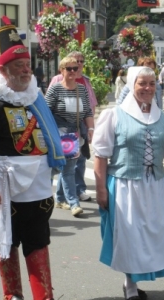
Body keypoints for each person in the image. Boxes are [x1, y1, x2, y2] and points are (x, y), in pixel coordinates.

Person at [0, 20, 65, 300]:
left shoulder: (35, 97)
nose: (26, 70)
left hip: (38, 185)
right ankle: (12, 296)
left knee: (38, 241)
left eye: (27, 64)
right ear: (3, 69)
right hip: (4, 185)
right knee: (6, 243)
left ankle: (43, 296)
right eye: (18, 66)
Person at [92, 66, 164, 300]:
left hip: (155, 185)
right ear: (131, 85)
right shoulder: (113, 115)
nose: (147, 88)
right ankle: (130, 285)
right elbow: (101, 155)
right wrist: (100, 191)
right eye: (142, 83)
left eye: (151, 83)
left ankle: (140, 278)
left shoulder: (163, 118)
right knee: (129, 236)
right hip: (124, 184)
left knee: (152, 235)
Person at [45, 56, 94, 217]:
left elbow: (87, 111)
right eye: (69, 68)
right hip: (59, 133)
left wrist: (91, 129)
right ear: (62, 70)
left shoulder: (82, 89)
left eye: (75, 68)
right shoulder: (55, 89)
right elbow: (46, 112)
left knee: (68, 167)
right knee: (68, 169)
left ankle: (59, 199)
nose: (73, 71)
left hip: (75, 133)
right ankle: (74, 203)